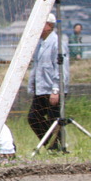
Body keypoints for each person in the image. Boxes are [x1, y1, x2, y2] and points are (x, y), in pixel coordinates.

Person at [28, 13, 66, 150]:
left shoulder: (57, 43)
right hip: (41, 89)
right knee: (33, 117)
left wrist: (56, 90)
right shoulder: (40, 44)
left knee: (53, 120)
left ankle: (57, 147)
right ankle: (52, 144)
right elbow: (36, 67)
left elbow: (61, 69)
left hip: (52, 90)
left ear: (49, 25)